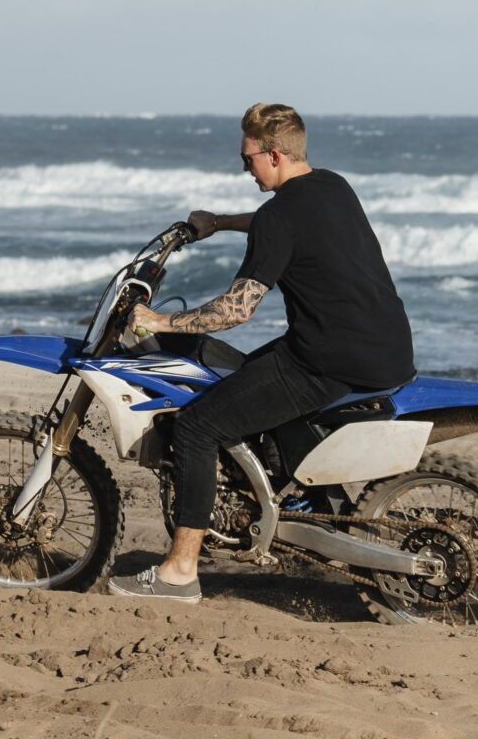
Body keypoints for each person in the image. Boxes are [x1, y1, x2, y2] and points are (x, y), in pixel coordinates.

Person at [108, 103, 414, 604]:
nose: (244, 168)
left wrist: (160, 321)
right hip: (383, 346)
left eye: (247, 158)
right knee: (244, 377)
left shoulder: (280, 217)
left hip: (329, 360)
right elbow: (282, 222)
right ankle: (287, 497)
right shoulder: (331, 186)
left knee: (197, 426)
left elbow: (235, 310)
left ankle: (180, 571)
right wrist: (220, 223)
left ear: (273, 154)